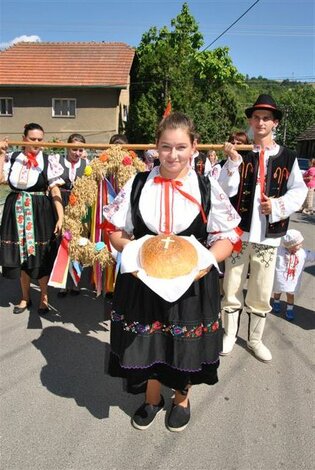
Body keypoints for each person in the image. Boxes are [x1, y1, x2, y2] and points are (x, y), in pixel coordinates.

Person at [103, 112, 241, 432]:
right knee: (148, 342)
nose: (173, 155)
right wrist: (134, 258)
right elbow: (114, 230)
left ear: (194, 146)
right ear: (156, 147)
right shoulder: (138, 184)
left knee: (183, 344)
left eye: (181, 147)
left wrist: (202, 265)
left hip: (191, 284)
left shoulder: (207, 188)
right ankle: (153, 399)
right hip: (142, 281)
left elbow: (228, 237)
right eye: (166, 147)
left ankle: (181, 398)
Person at [218, 94, 307, 362]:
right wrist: (231, 163)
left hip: (269, 237)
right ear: (250, 121)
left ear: (275, 123)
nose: (260, 122)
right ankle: (229, 334)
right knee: (231, 286)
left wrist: (278, 206)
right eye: (256, 117)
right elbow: (224, 190)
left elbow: (299, 191)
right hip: (238, 234)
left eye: (266, 118)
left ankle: (255, 340)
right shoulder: (240, 153)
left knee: (260, 289)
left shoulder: (288, 157)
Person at [0, 123, 63, 314]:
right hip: (15, 209)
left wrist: (60, 216)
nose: (36, 143)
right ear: (24, 139)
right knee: (21, 256)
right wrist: (1, 154)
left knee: (40, 255)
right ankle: (25, 297)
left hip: (39, 211)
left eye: (40, 139)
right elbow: (1, 179)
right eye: (32, 139)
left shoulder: (48, 160)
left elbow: (54, 189)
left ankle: (44, 296)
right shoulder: (13, 158)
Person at [48, 133, 89, 296]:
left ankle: (75, 282)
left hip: (79, 206)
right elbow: (54, 186)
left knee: (77, 243)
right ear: (67, 147)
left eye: (80, 150)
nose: (77, 153)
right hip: (61, 202)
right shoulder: (57, 161)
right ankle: (62, 283)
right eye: (74, 149)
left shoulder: (87, 163)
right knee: (62, 242)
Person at [272, 229, 315, 321]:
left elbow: (312, 255)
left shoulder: (303, 253)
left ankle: (289, 309)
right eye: (298, 244)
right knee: (277, 291)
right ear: (291, 245)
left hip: (292, 281)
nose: (301, 245)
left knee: (290, 295)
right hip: (280, 279)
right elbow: (271, 253)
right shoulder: (279, 251)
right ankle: (276, 302)